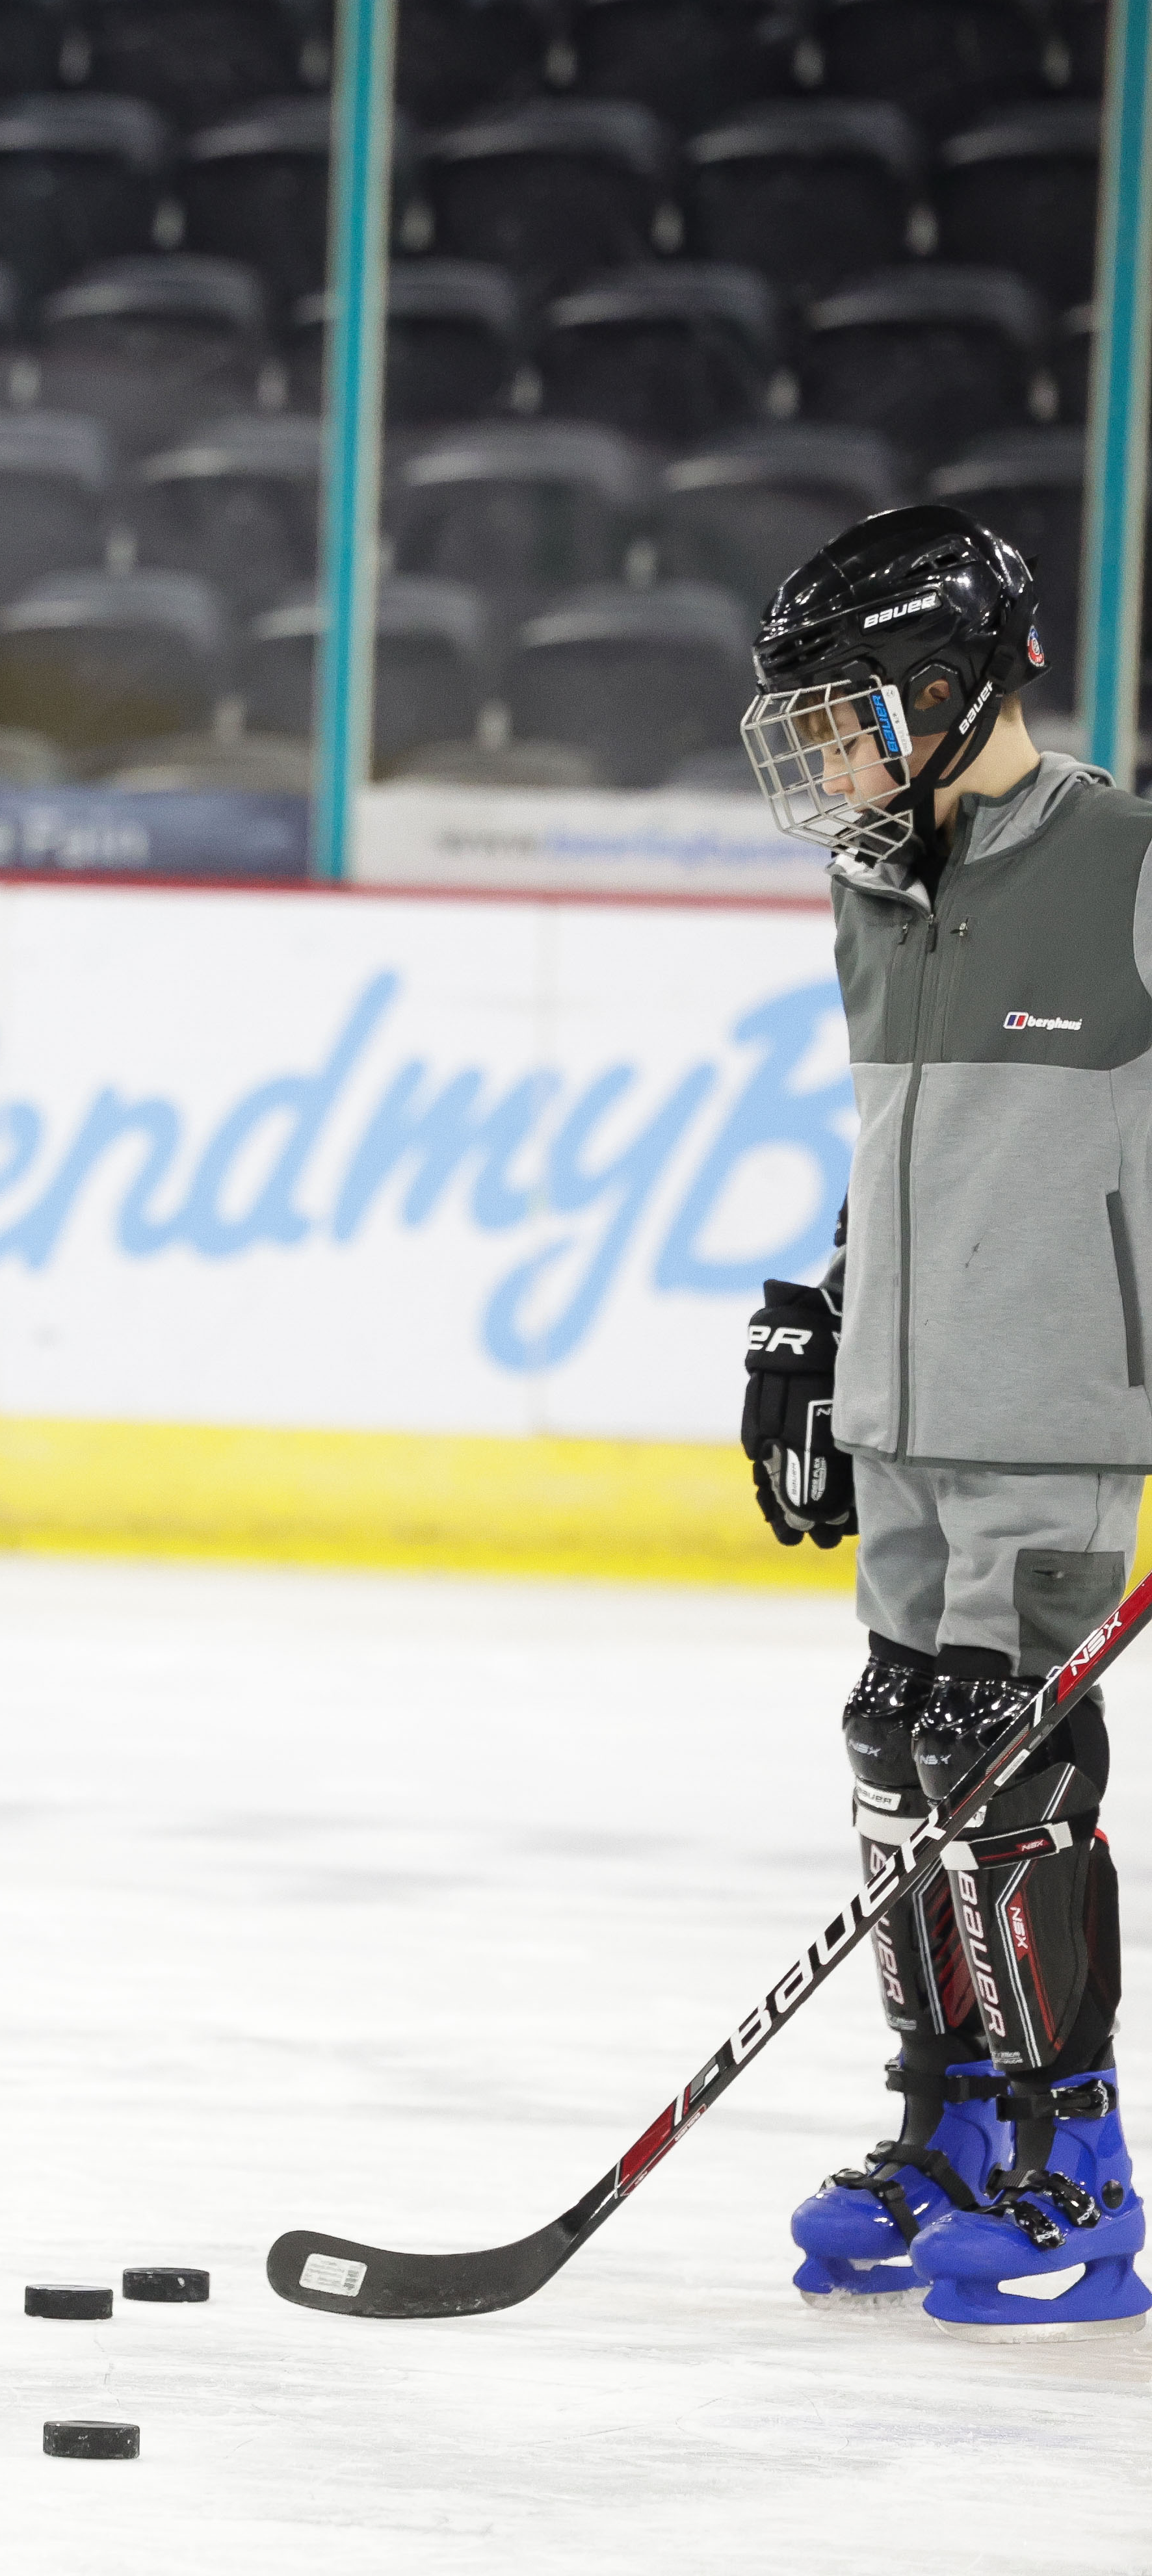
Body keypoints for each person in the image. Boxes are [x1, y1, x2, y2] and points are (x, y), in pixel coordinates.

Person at [739, 504, 1140, 2337]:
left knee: (1012, 1771)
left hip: (1051, 1416)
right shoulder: (877, 883)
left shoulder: (1122, 860)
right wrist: (818, 1320)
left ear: (946, 682)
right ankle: (952, 2135)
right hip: (907, 1413)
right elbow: (901, 1152)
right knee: (902, 1749)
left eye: (843, 716)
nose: (824, 758)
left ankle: (1083, 2168)